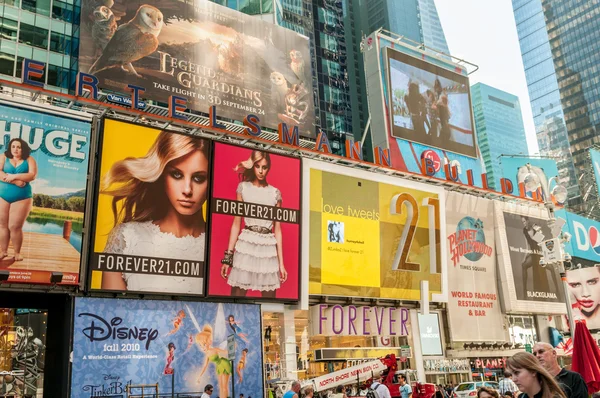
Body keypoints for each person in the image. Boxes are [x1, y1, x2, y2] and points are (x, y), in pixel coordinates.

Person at [101, 132, 209, 293]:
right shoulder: (126, 237)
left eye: (199, 178)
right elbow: (111, 314)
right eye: (177, 175)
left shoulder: (224, 246)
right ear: (161, 175)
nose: (187, 190)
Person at [221, 150, 288, 298]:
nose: (261, 171)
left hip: (267, 247)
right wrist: (228, 258)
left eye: (264, 167)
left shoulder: (275, 193)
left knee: (270, 302)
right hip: (246, 244)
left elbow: (278, 230)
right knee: (236, 299)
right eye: (257, 166)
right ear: (253, 166)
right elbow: (236, 224)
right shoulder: (243, 188)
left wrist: (281, 264)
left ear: (269, 168)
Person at [0, 138, 38, 262]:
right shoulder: (3, 157)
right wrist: (16, 181)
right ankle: (3, 251)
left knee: (15, 226)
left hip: (22, 197)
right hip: (2, 196)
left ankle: (17, 253)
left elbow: (32, 175)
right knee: (2, 225)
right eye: (13, 146)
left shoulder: (29, 159)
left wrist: (14, 175)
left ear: (23, 149)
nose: (15, 149)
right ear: (10, 148)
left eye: (19, 147)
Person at [195, 325, 231, 398]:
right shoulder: (207, 354)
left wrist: (232, 347)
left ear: (209, 341)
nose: (202, 347)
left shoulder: (214, 349)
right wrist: (199, 377)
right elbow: (204, 366)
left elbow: (225, 351)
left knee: (224, 386)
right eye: (201, 345)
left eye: (204, 344)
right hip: (219, 366)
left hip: (224, 364)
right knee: (221, 386)